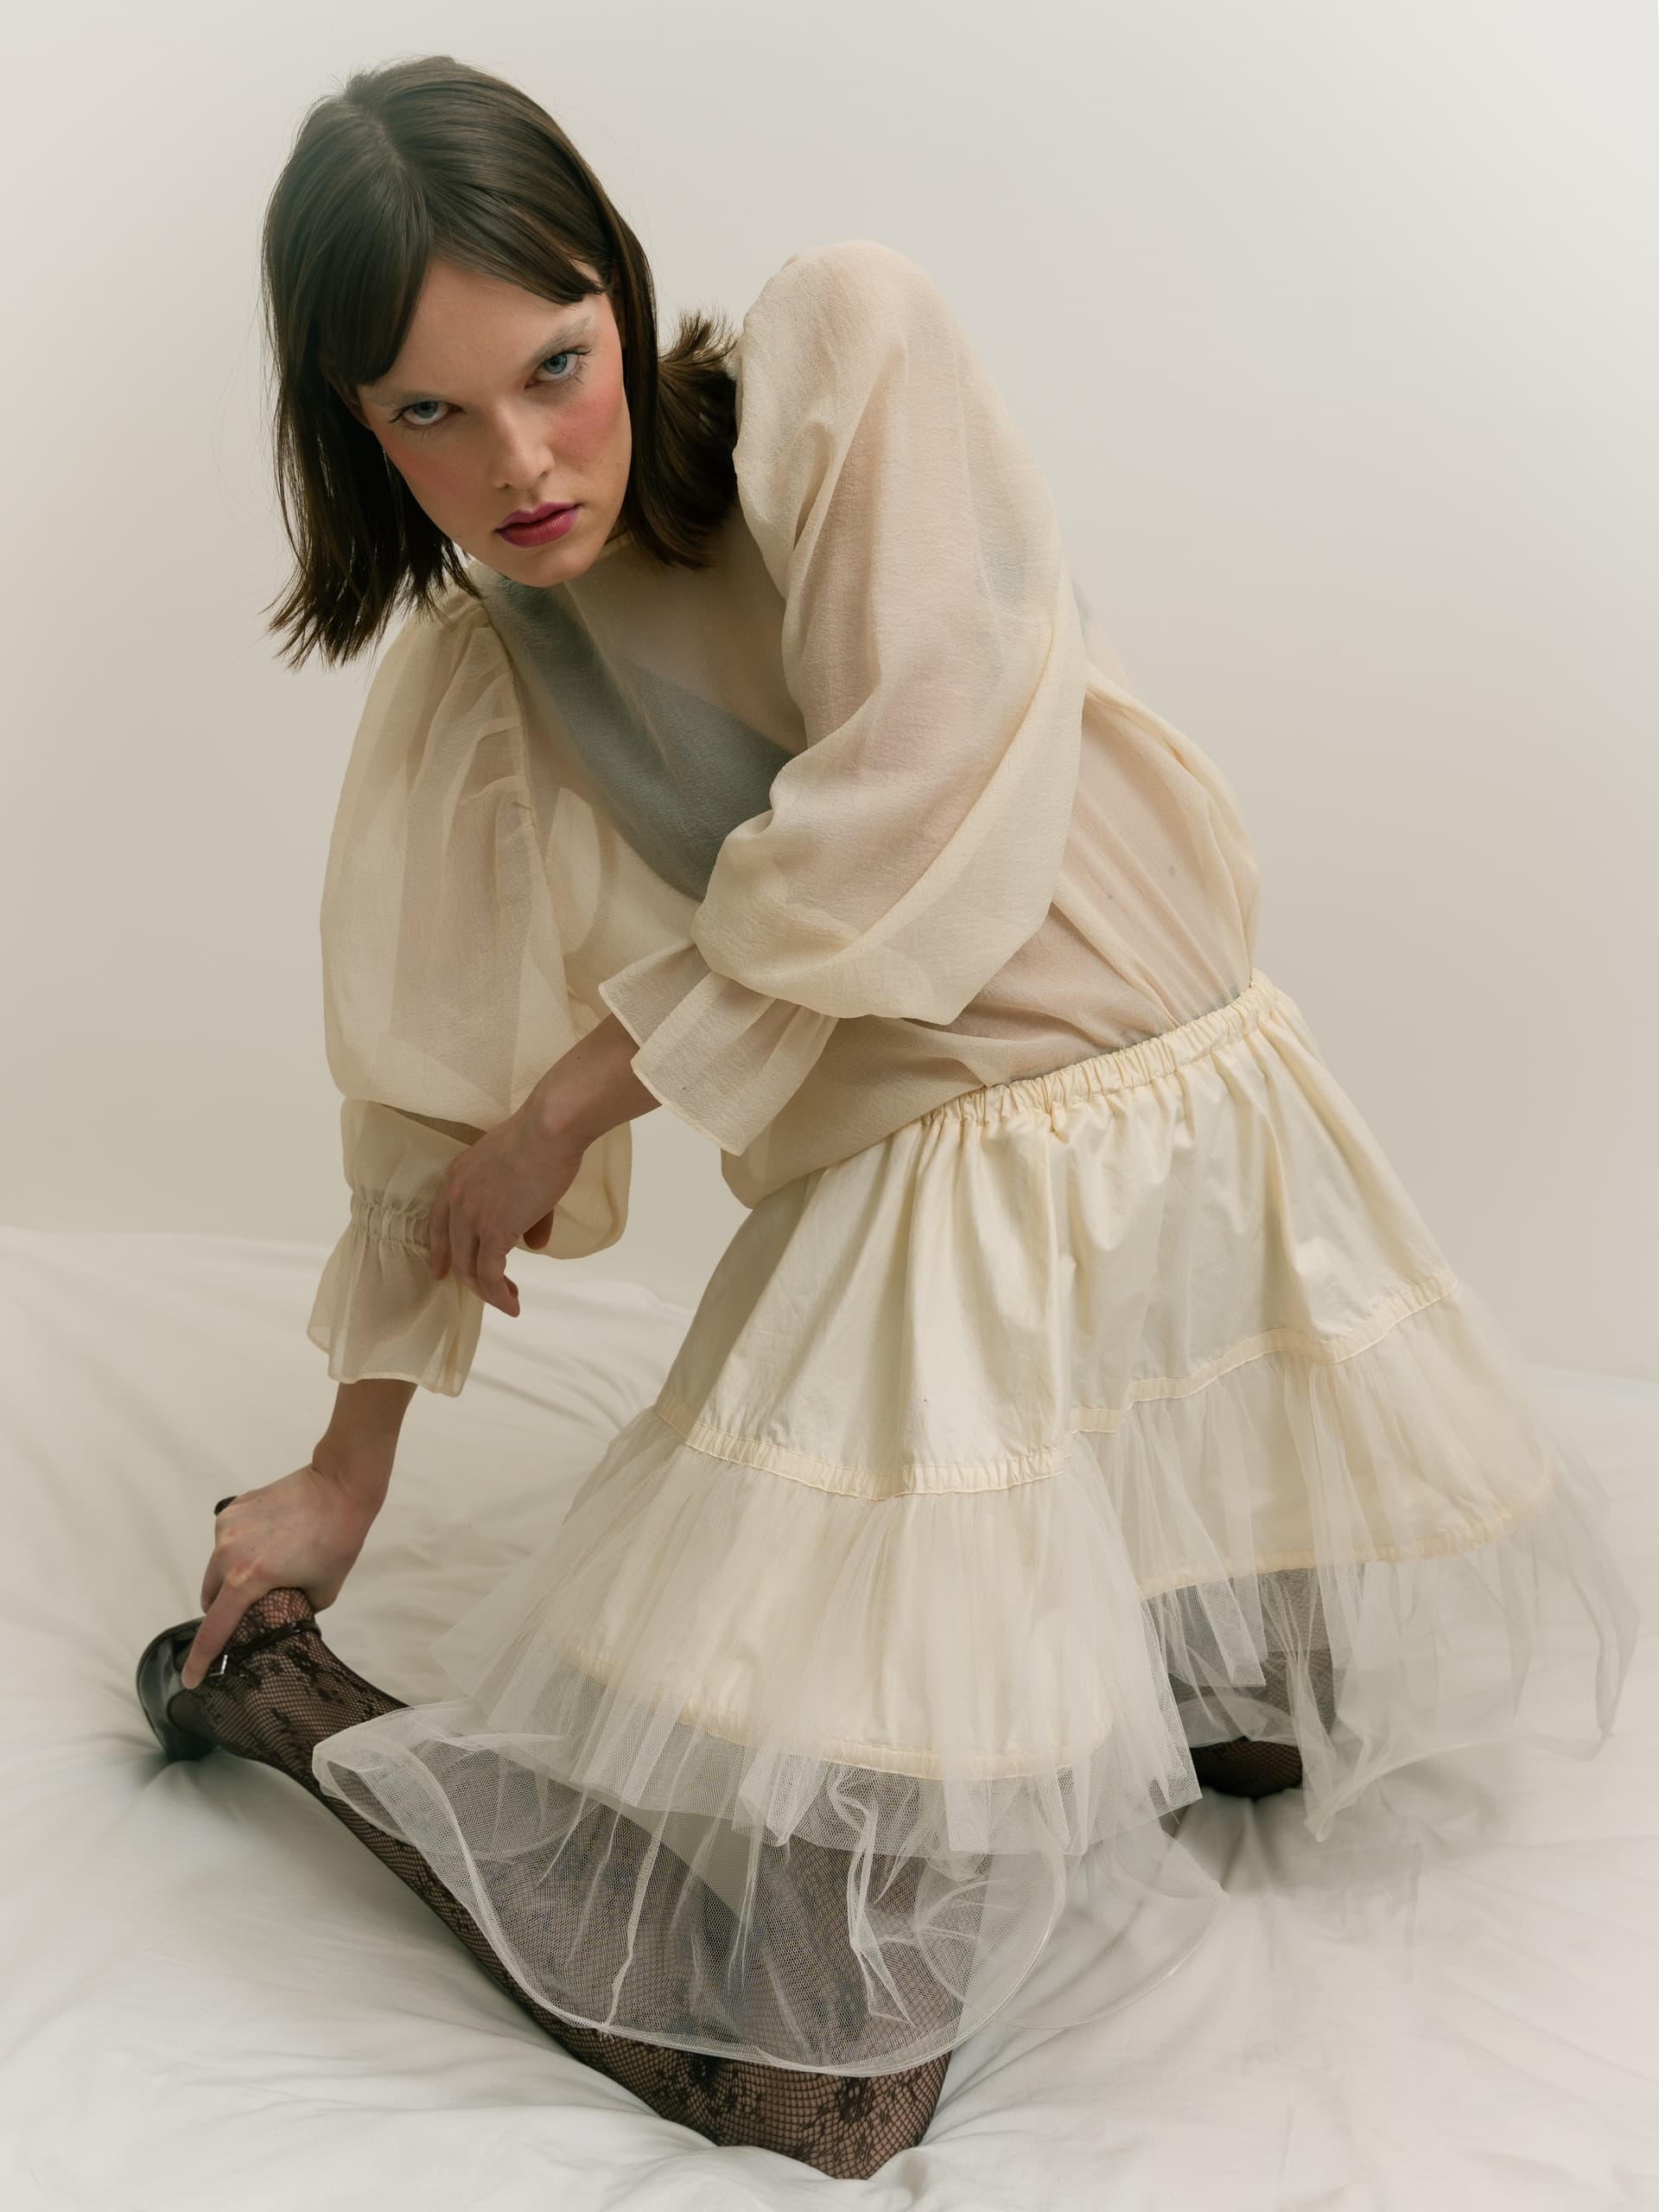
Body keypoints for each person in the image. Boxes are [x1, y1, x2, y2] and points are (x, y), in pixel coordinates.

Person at [134, 52, 1639, 2182]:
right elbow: (428, 1097)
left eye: (556, 364)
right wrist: (340, 1466)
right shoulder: (486, 683)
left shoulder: (846, 352)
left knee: (1272, 1740)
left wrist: (591, 1086)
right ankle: (307, 1724)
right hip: (941, 1228)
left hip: (1208, 1145)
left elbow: (916, 796)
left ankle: (1109, 1574)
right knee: (833, 2090)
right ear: (355, 432)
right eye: (430, 415)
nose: (525, 460)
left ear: (617, 293)